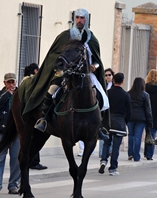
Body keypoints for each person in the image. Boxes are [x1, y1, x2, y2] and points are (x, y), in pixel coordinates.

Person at [31, 8, 109, 140]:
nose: (79, 20)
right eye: (77, 18)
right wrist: (61, 68)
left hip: (86, 74)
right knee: (52, 90)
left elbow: (97, 60)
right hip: (66, 74)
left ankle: (100, 126)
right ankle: (44, 119)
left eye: (82, 18)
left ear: (87, 20)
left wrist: (93, 66)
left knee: (103, 97)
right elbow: (54, 55)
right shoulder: (65, 36)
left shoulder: (92, 39)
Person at [98, 73, 131, 175]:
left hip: (108, 122)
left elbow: (102, 108)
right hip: (119, 123)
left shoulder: (107, 93)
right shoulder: (126, 95)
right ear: (123, 81)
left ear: (113, 80)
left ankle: (103, 161)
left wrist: (103, 120)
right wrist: (125, 122)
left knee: (107, 143)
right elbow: (129, 112)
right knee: (116, 147)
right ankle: (112, 168)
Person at [22, 63, 48, 170]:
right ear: (36, 71)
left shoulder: (25, 80)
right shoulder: (31, 81)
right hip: (31, 113)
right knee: (35, 138)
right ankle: (34, 162)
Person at [0, 73, 21, 194]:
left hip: (17, 132)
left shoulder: (20, 94)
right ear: (4, 83)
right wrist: (8, 93)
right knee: (0, 158)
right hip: (2, 131)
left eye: (13, 82)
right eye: (9, 82)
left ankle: (13, 185)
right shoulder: (2, 94)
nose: (11, 85)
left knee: (16, 159)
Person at [127, 77, 153, 162]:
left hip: (130, 117)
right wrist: (150, 121)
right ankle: (136, 156)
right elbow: (148, 109)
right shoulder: (145, 95)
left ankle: (130, 153)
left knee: (131, 135)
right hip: (141, 118)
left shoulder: (128, 94)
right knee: (137, 137)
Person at [144, 69, 157, 160]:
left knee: (147, 132)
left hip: (145, 112)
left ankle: (146, 152)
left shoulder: (145, 87)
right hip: (156, 114)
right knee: (152, 133)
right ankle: (149, 154)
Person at [99, 68, 115, 157]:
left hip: (112, 112)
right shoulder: (102, 85)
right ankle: (102, 152)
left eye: (109, 75)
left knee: (111, 132)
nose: (108, 77)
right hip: (103, 112)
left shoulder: (114, 86)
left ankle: (110, 150)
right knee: (103, 130)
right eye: (106, 75)